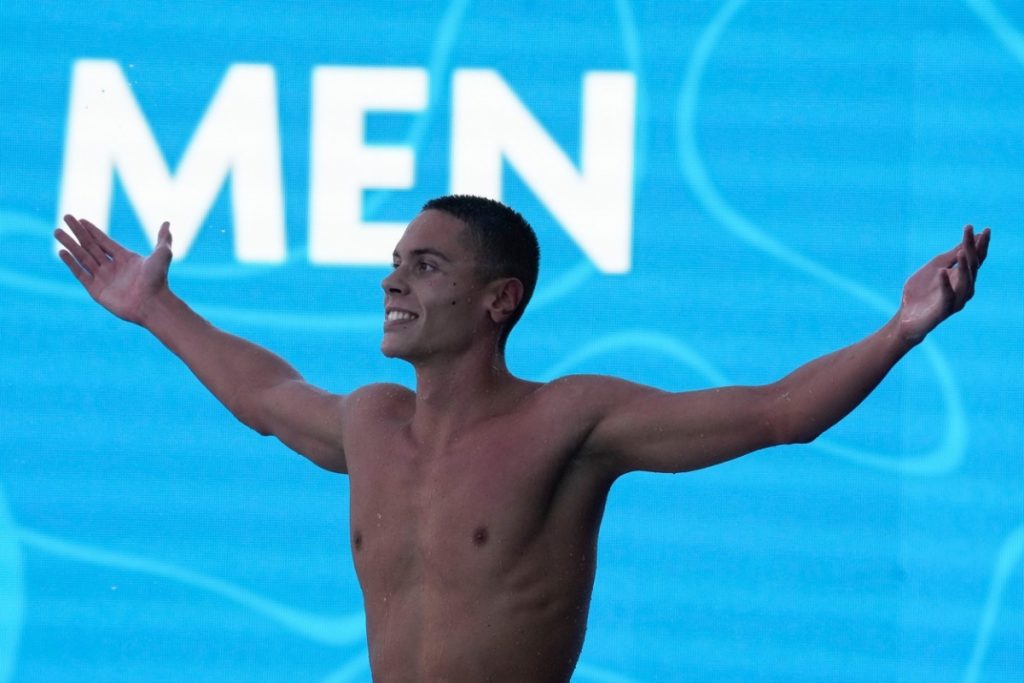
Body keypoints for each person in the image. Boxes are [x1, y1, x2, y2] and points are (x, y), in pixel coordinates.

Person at [55, 195, 989, 682]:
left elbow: (778, 412)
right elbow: (266, 393)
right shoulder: (373, 420)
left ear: (500, 301)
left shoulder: (568, 421)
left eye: (425, 266)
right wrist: (156, 306)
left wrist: (901, 327)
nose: (393, 284)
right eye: (393, 264)